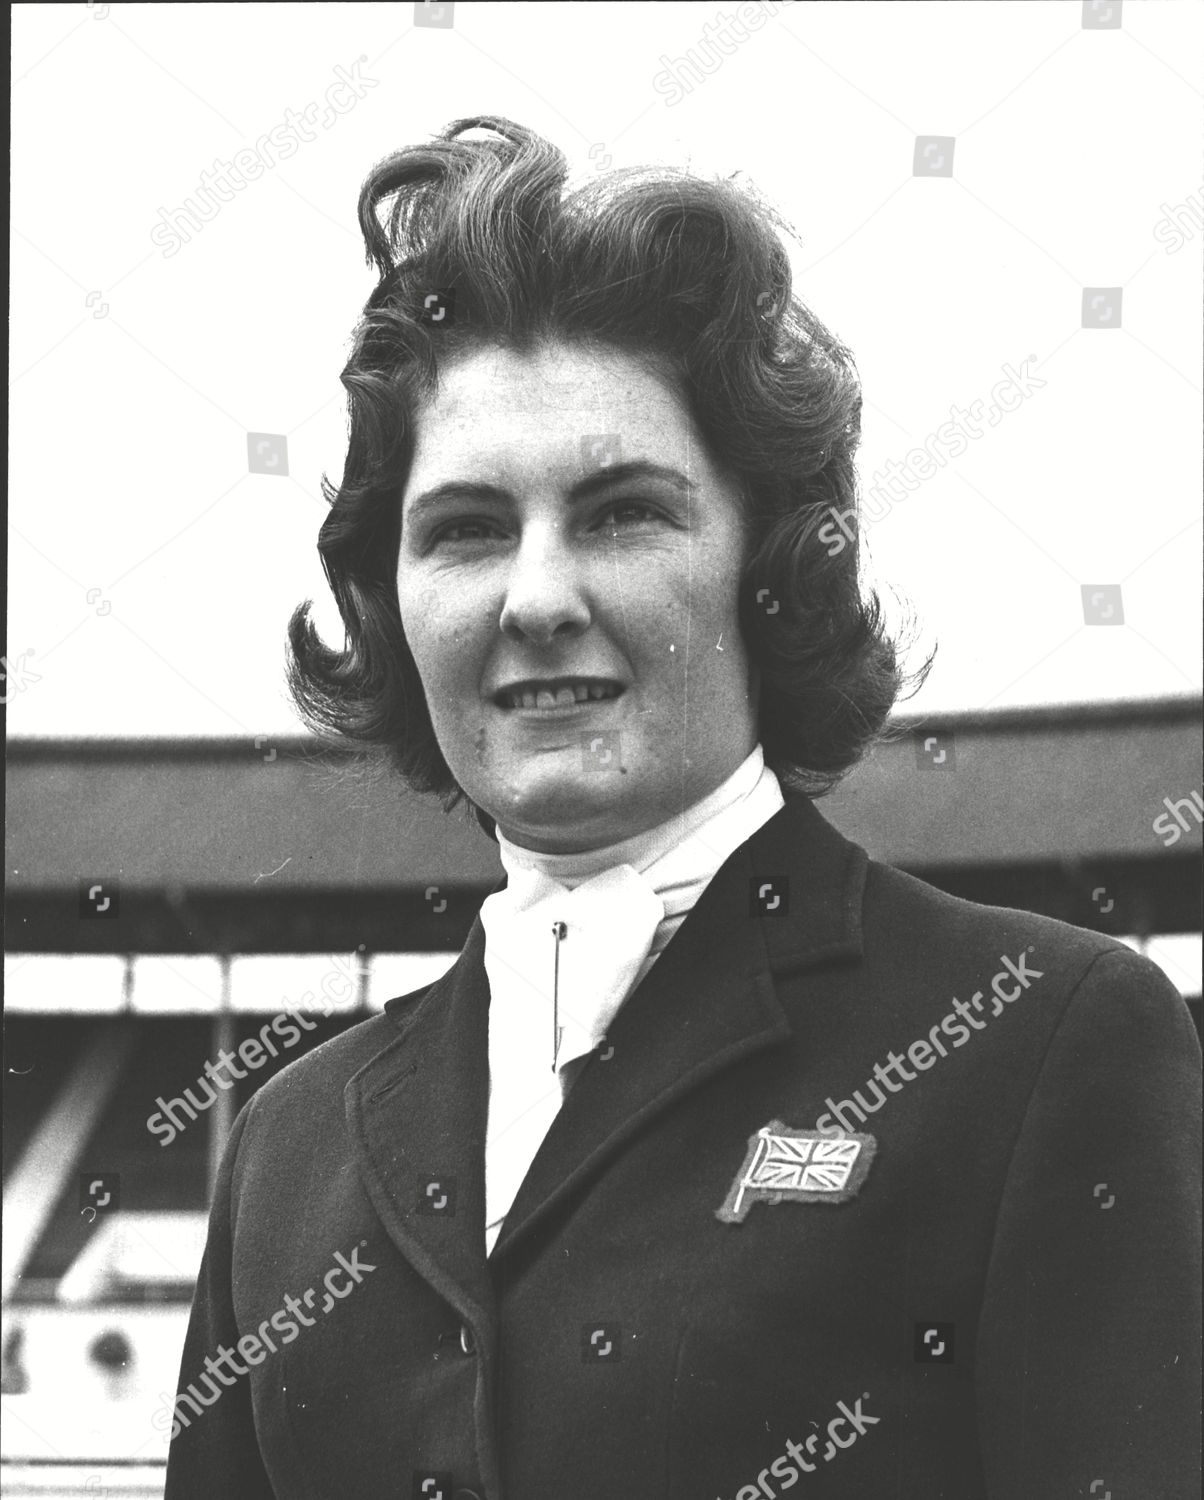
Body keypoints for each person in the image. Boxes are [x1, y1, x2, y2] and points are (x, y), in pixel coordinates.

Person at [164, 116, 1200, 1500]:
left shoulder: (1052, 1042)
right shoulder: (285, 1143)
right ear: (393, 599)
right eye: (466, 528)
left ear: (766, 567)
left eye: (621, 514)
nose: (537, 597)